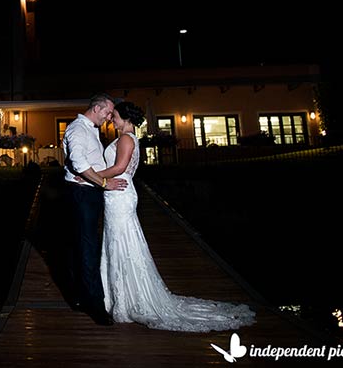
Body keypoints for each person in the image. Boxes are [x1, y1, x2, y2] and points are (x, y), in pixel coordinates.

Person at [92, 101, 256, 331]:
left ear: (127, 119)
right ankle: (121, 295)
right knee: (119, 243)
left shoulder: (126, 139)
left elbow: (119, 167)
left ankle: (130, 298)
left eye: (115, 116)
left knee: (123, 244)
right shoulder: (128, 138)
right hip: (118, 193)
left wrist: (91, 176)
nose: (112, 119)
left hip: (119, 194)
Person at [62, 93, 128, 326]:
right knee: (88, 248)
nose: (110, 118)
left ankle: (79, 297)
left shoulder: (90, 128)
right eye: (108, 113)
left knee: (83, 246)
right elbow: (79, 163)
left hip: (87, 192)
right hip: (82, 195)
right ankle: (95, 305)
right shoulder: (77, 129)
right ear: (97, 109)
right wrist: (102, 182)